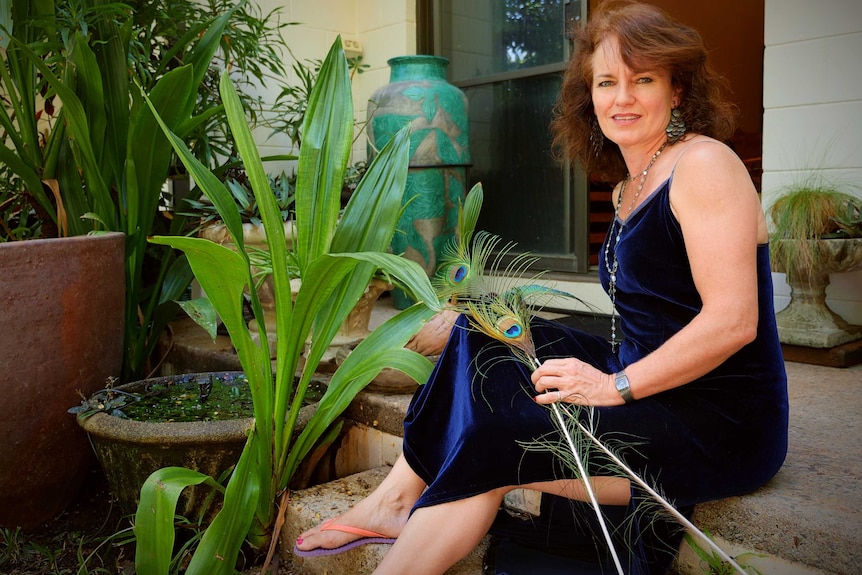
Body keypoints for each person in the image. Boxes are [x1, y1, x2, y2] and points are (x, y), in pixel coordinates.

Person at [294, 1, 789, 573]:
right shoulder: (634, 183)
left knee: (495, 438)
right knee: (477, 334)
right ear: (590, 95)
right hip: (648, 377)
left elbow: (733, 321)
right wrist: (606, 373)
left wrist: (614, 386)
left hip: (718, 421)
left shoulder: (704, 164)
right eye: (607, 82)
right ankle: (396, 500)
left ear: (676, 90)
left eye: (643, 79)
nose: (622, 98)